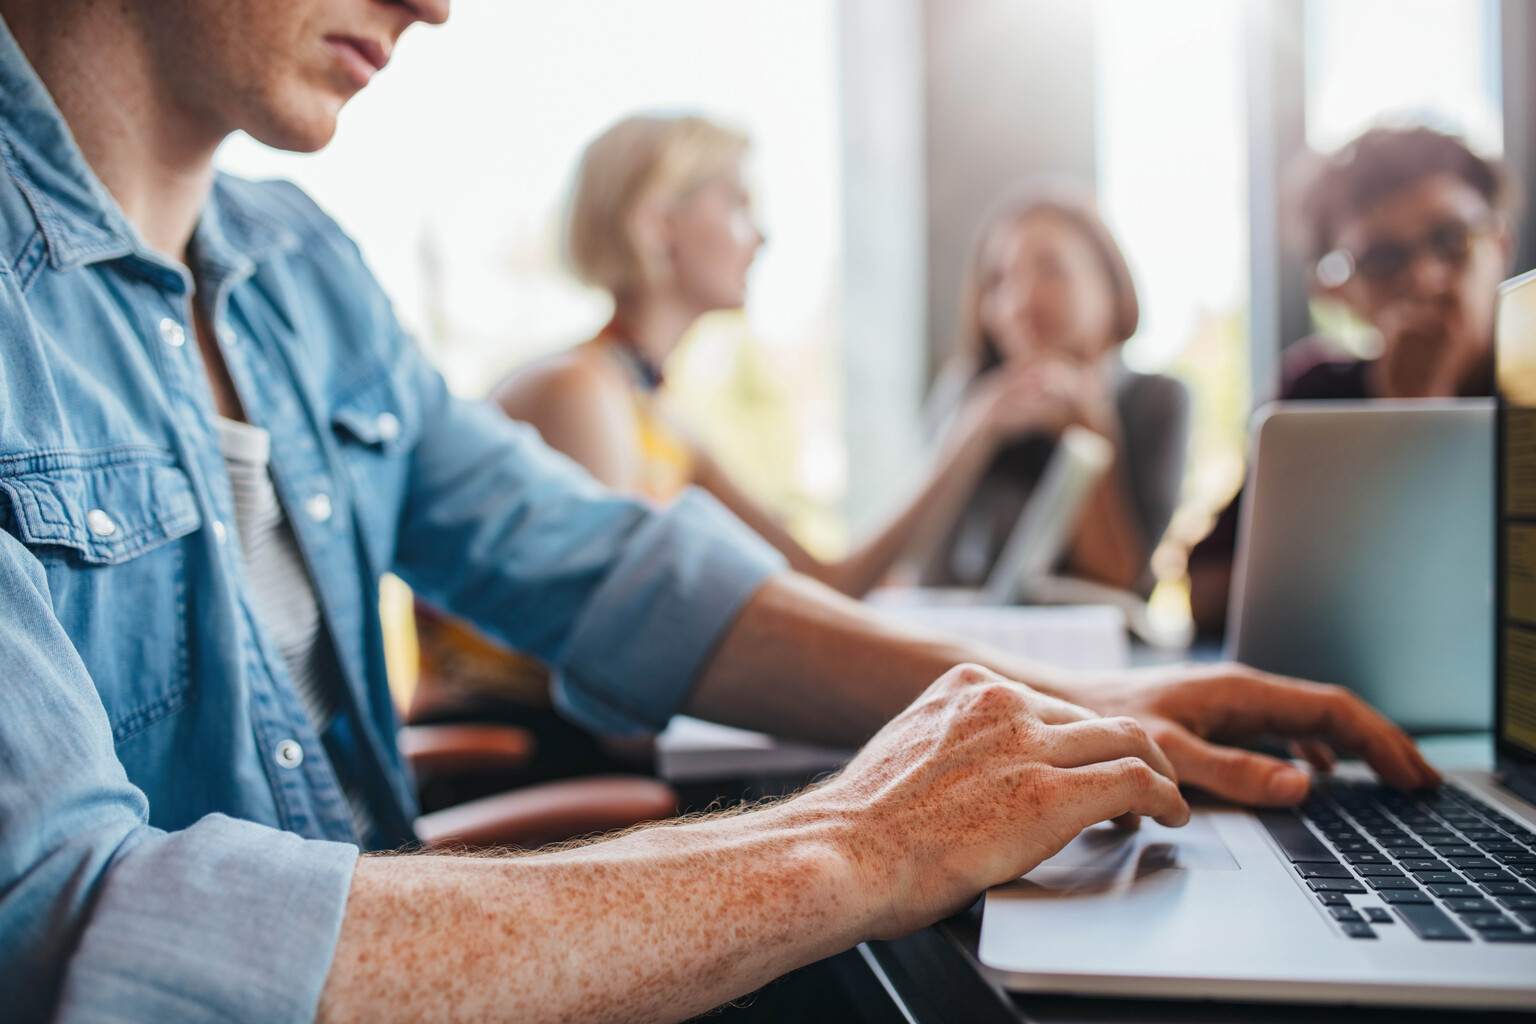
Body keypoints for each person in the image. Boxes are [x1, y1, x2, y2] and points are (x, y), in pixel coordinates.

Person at [0, 2, 1439, 1023]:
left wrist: (1101, 696)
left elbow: (629, 575)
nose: (436, 6)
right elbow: (78, 936)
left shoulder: (303, 270)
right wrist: (854, 838)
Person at [492, 115, 1094, 599]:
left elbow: (828, 582)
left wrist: (974, 431)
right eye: (737, 204)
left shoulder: (661, 421)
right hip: (524, 743)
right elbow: (605, 641)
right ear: (657, 224)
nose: (762, 235)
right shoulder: (581, 392)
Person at [1187, 126, 1522, 635]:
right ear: (1335, 292)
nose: (1427, 278)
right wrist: (1406, 415)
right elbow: (1209, 591)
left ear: (1500, 243)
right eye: (1384, 259)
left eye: (1451, 240)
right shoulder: (1315, 397)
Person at [920, 180, 1190, 595]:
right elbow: (920, 570)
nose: (1020, 299)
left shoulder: (1155, 400)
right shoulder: (965, 398)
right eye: (997, 280)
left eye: (1050, 269)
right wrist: (973, 435)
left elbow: (1118, 585)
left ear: (1109, 282)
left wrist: (1086, 427)